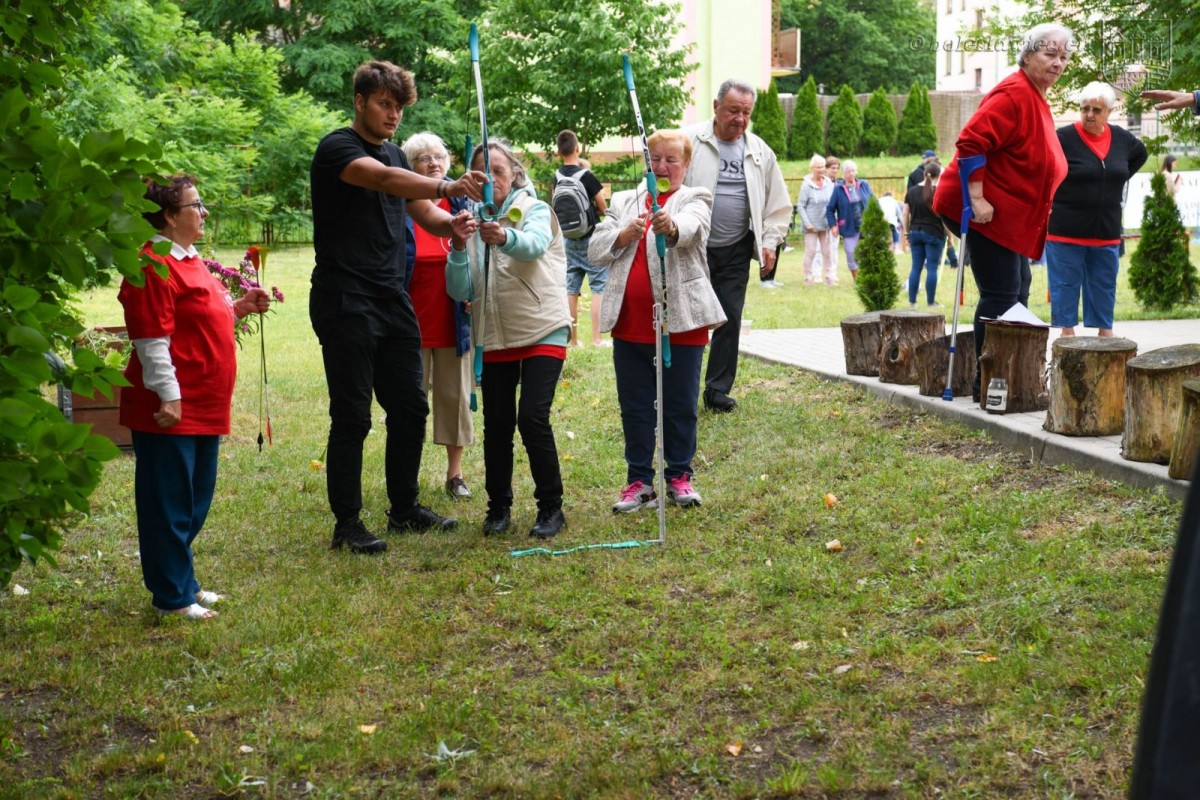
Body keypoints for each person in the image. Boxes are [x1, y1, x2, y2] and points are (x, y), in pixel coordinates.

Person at [309, 60, 488, 555]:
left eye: (399, 107)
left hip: (392, 298)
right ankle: (347, 524)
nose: (393, 115)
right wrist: (447, 185)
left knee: (410, 407)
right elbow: (386, 180)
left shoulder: (393, 152)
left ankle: (404, 509)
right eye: (385, 104)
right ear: (360, 101)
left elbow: (423, 212)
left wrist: (451, 224)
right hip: (346, 298)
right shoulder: (338, 148)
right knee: (353, 416)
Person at [119, 175, 270, 620]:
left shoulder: (187, 258)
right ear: (169, 216)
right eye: (195, 206)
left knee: (193, 499)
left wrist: (239, 307)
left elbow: (200, 317)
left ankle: (183, 581)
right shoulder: (152, 265)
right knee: (168, 503)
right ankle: (171, 596)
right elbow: (151, 340)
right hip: (172, 407)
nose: (203, 213)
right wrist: (169, 397)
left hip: (204, 402)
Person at [588, 130, 726, 513]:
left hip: (681, 324)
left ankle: (679, 477)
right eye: (655, 159)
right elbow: (596, 248)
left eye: (671, 160)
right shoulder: (624, 200)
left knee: (679, 404)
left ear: (686, 165)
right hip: (630, 325)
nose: (662, 167)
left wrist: (671, 225)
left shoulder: (695, 197)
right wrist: (622, 234)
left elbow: (693, 227)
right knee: (635, 406)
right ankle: (639, 482)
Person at [933, 22, 1073, 398]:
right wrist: (977, 197)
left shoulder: (1036, 96)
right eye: (1050, 54)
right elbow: (971, 141)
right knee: (1000, 293)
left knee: (1018, 286)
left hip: (1007, 220)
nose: (1058, 63)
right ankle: (989, 382)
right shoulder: (1014, 93)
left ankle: (1011, 374)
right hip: (980, 212)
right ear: (1026, 55)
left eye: (1063, 57)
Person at [446, 139, 572, 540]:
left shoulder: (535, 209)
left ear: (515, 174)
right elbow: (459, 289)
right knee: (497, 425)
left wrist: (503, 237)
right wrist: (458, 247)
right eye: (482, 173)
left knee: (532, 418)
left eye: (498, 171)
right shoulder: (469, 222)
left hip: (542, 327)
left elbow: (533, 245)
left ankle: (551, 508)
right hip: (493, 335)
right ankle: (498, 507)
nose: (490, 180)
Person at [683, 79, 791, 413]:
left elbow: (777, 204)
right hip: (691, 248)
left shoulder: (759, 151)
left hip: (736, 247)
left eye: (746, 113)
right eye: (733, 111)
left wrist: (770, 241)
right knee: (688, 318)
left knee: (729, 317)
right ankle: (681, 387)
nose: (740, 119)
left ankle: (717, 390)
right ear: (716, 107)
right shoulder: (689, 141)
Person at [399, 132, 476, 499]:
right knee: (408, 403)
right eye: (422, 158)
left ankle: (455, 474)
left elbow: (479, 256)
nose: (433, 163)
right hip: (408, 321)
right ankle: (406, 477)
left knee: (455, 398)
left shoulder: (463, 203)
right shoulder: (401, 204)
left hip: (452, 319)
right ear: (408, 167)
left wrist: (476, 292)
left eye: (439, 156)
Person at [1046, 82, 1148, 337]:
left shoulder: (1122, 139)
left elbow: (1141, 154)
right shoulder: (1064, 138)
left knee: (1104, 285)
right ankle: (1067, 336)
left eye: (1096, 110)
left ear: (1109, 112)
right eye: (1085, 109)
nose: (1089, 114)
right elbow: (1045, 168)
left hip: (1106, 230)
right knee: (1064, 285)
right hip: (1065, 230)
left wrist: (1115, 179)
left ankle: (1105, 336)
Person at [553, 129, 609, 347]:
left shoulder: (557, 177)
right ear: (577, 148)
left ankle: (573, 341)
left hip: (567, 239)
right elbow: (603, 207)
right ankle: (597, 338)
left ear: (559, 152)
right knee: (599, 286)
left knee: (571, 289)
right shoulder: (586, 176)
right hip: (589, 237)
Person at [903, 161, 946, 308]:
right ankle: (930, 302)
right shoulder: (938, 192)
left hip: (915, 232)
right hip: (934, 233)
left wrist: (907, 231)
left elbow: (905, 214)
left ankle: (912, 302)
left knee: (916, 267)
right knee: (932, 268)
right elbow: (943, 218)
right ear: (938, 175)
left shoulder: (911, 191)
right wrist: (950, 238)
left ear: (924, 173)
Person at [825, 159, 875, 282]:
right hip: (849, 227)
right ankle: (856, 279)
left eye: (853, 171)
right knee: (850, 253)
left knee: (868, 253)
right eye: (848, 171)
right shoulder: (838, 189)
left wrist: (879, 217)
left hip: (866, 225)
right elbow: (830, 209)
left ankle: (867, 278)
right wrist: (833, 226)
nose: (851, 174)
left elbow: (874, 202)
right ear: (843, 174)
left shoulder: (864, 184)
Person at [796, 153, 834, 285]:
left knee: (827, 252)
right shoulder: (806, 185)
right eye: (818, 167)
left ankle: (829, 277)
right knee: (811, 252)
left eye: (822, 166)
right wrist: (807, 223)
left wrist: (833, 221)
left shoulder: (829, 183)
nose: (821, 169)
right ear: (812, 168)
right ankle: (808, 277)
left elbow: (832, 203)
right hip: (811, 225)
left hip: (825, 223)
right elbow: (800, 206)